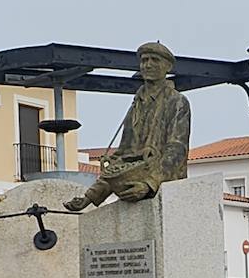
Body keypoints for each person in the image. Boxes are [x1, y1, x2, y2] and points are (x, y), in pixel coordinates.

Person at [65, 41, 191, 211]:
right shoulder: (136, 105)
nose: (148, 65)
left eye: (154, 60)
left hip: (165, 191)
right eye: (144, 60)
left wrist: (149, 185)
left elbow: (176, 150)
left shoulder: (177, 102)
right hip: (135, 182)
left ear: (167, 66)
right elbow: (123, 155)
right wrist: (90, 197)